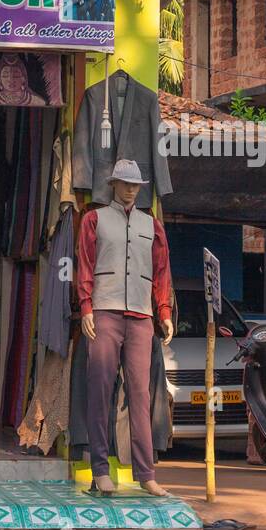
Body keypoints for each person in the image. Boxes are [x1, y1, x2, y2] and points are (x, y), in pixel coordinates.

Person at [76, 159, 174, 498]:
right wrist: (86, 306)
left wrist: (164, 311)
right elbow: (85, 265)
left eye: (136, 184)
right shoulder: (95, 220)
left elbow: (161, 272)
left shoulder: (153, 226)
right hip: (105, 311)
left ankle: (146, 473)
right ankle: (100, 471)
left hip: (141, 316)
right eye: (125, 183)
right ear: (114, 184)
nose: (131, 189)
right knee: (100, 389)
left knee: (140, 395)